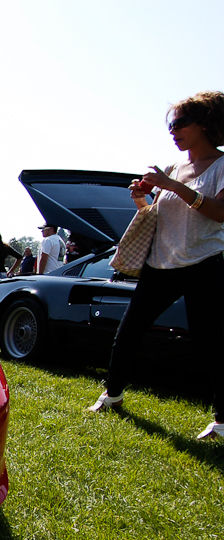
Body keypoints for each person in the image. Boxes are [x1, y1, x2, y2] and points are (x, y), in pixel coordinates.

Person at [88, 91, 224, 441]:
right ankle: (112, 396)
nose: (173, 130)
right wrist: (142, 199)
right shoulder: (175, 168)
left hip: (204, 263)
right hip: (161, 263)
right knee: (129, 330)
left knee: (211, 342)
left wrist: (171, 185)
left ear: (207, 123)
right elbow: (161, 216)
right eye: (171, 125)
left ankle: (222, 422)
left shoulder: (221, 167)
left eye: (180, 123)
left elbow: (219, 212)